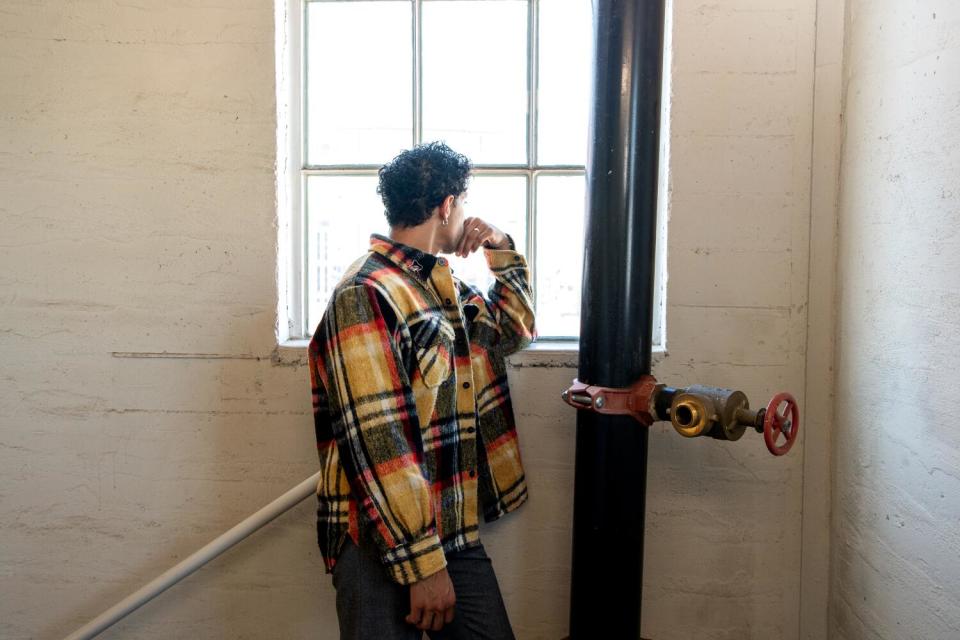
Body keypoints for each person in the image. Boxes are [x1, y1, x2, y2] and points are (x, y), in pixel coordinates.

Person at [307, 141, 537, 639]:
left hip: (451, 528)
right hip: (378, 542)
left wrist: (499, 243)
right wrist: (423, 566)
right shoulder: (366, 292)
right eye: (466, 207)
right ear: (448, 204)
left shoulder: (440, 288)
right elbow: (379, 440)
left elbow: (514, 330)